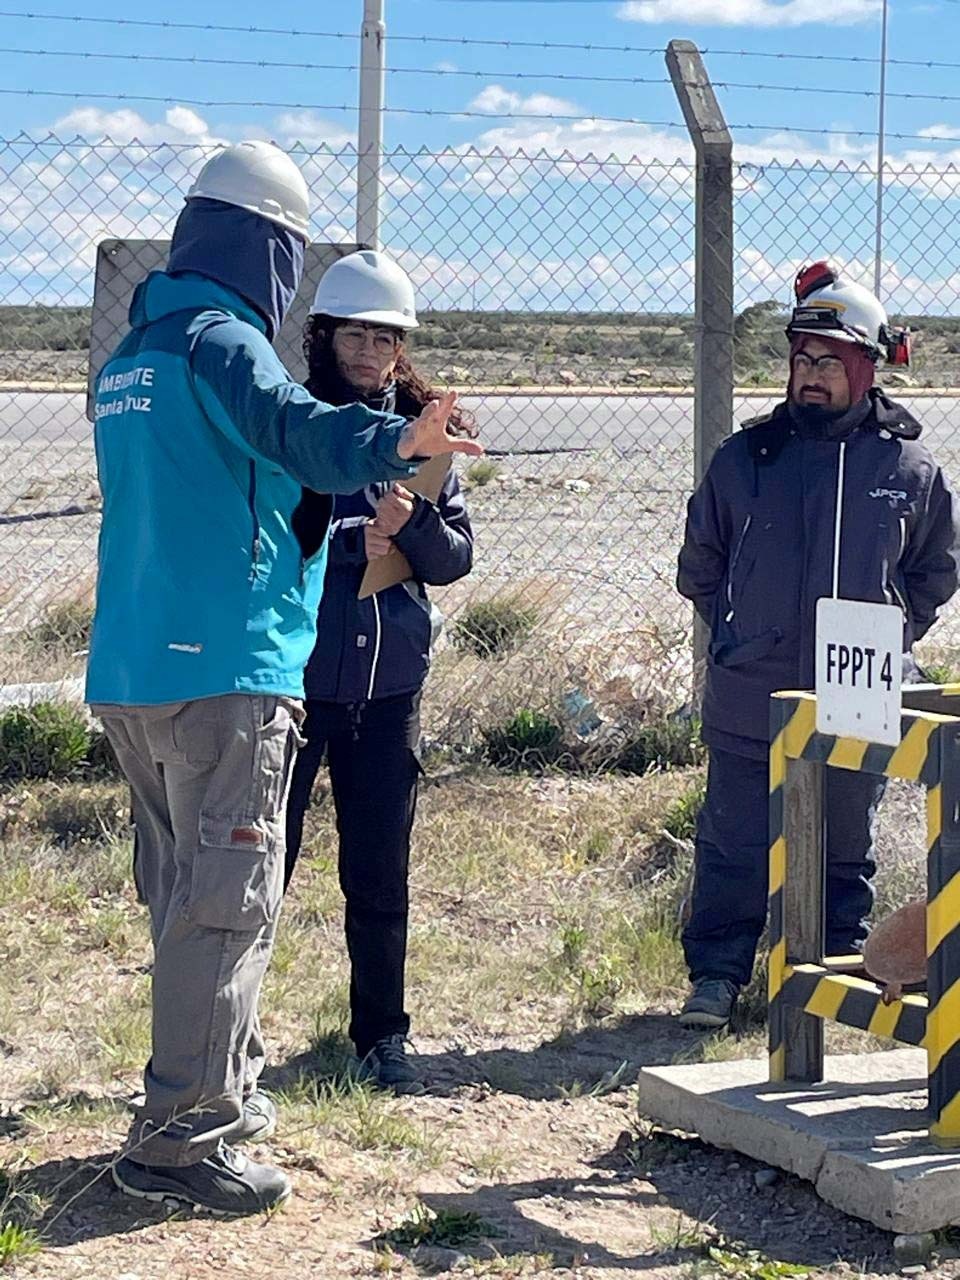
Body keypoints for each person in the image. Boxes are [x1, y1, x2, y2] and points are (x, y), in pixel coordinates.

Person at [86, 141, 482, 1216]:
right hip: (223, 668)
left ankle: (223, 1084)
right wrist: (397, 441)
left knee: (186, 896)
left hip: (132, 664)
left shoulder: (131, 354)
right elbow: (297, 432)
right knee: (224, 908)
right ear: (270, 250)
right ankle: (183, 1139)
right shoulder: (221, 342)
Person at [676, 260, 959, 1030]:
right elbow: (701, 564)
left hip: (857, 694)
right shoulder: (746, 459)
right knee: (734, 841)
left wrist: (889, 634)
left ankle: (839, 970)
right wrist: (743, 629)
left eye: (830, 362)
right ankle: (717, 976)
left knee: (841, 845)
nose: (811, 375)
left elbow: (934, 570)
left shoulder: (908, 468)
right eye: (802, 358)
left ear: (866, 369)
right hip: (752, 691)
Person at [283, 250, 473, 1095]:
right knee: (263, 868)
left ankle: (382, 1036)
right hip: (293, 687)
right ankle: (229, 1037)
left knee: (379, 876)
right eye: (354, 335)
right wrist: (350, 543)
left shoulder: (424, 434)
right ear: (323, 337)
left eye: (385, 338)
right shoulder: (290, 422)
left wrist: (414, 523)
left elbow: (454, 558)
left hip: (388, 691)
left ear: (402, 348)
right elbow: (266, 546)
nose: (369, 352)